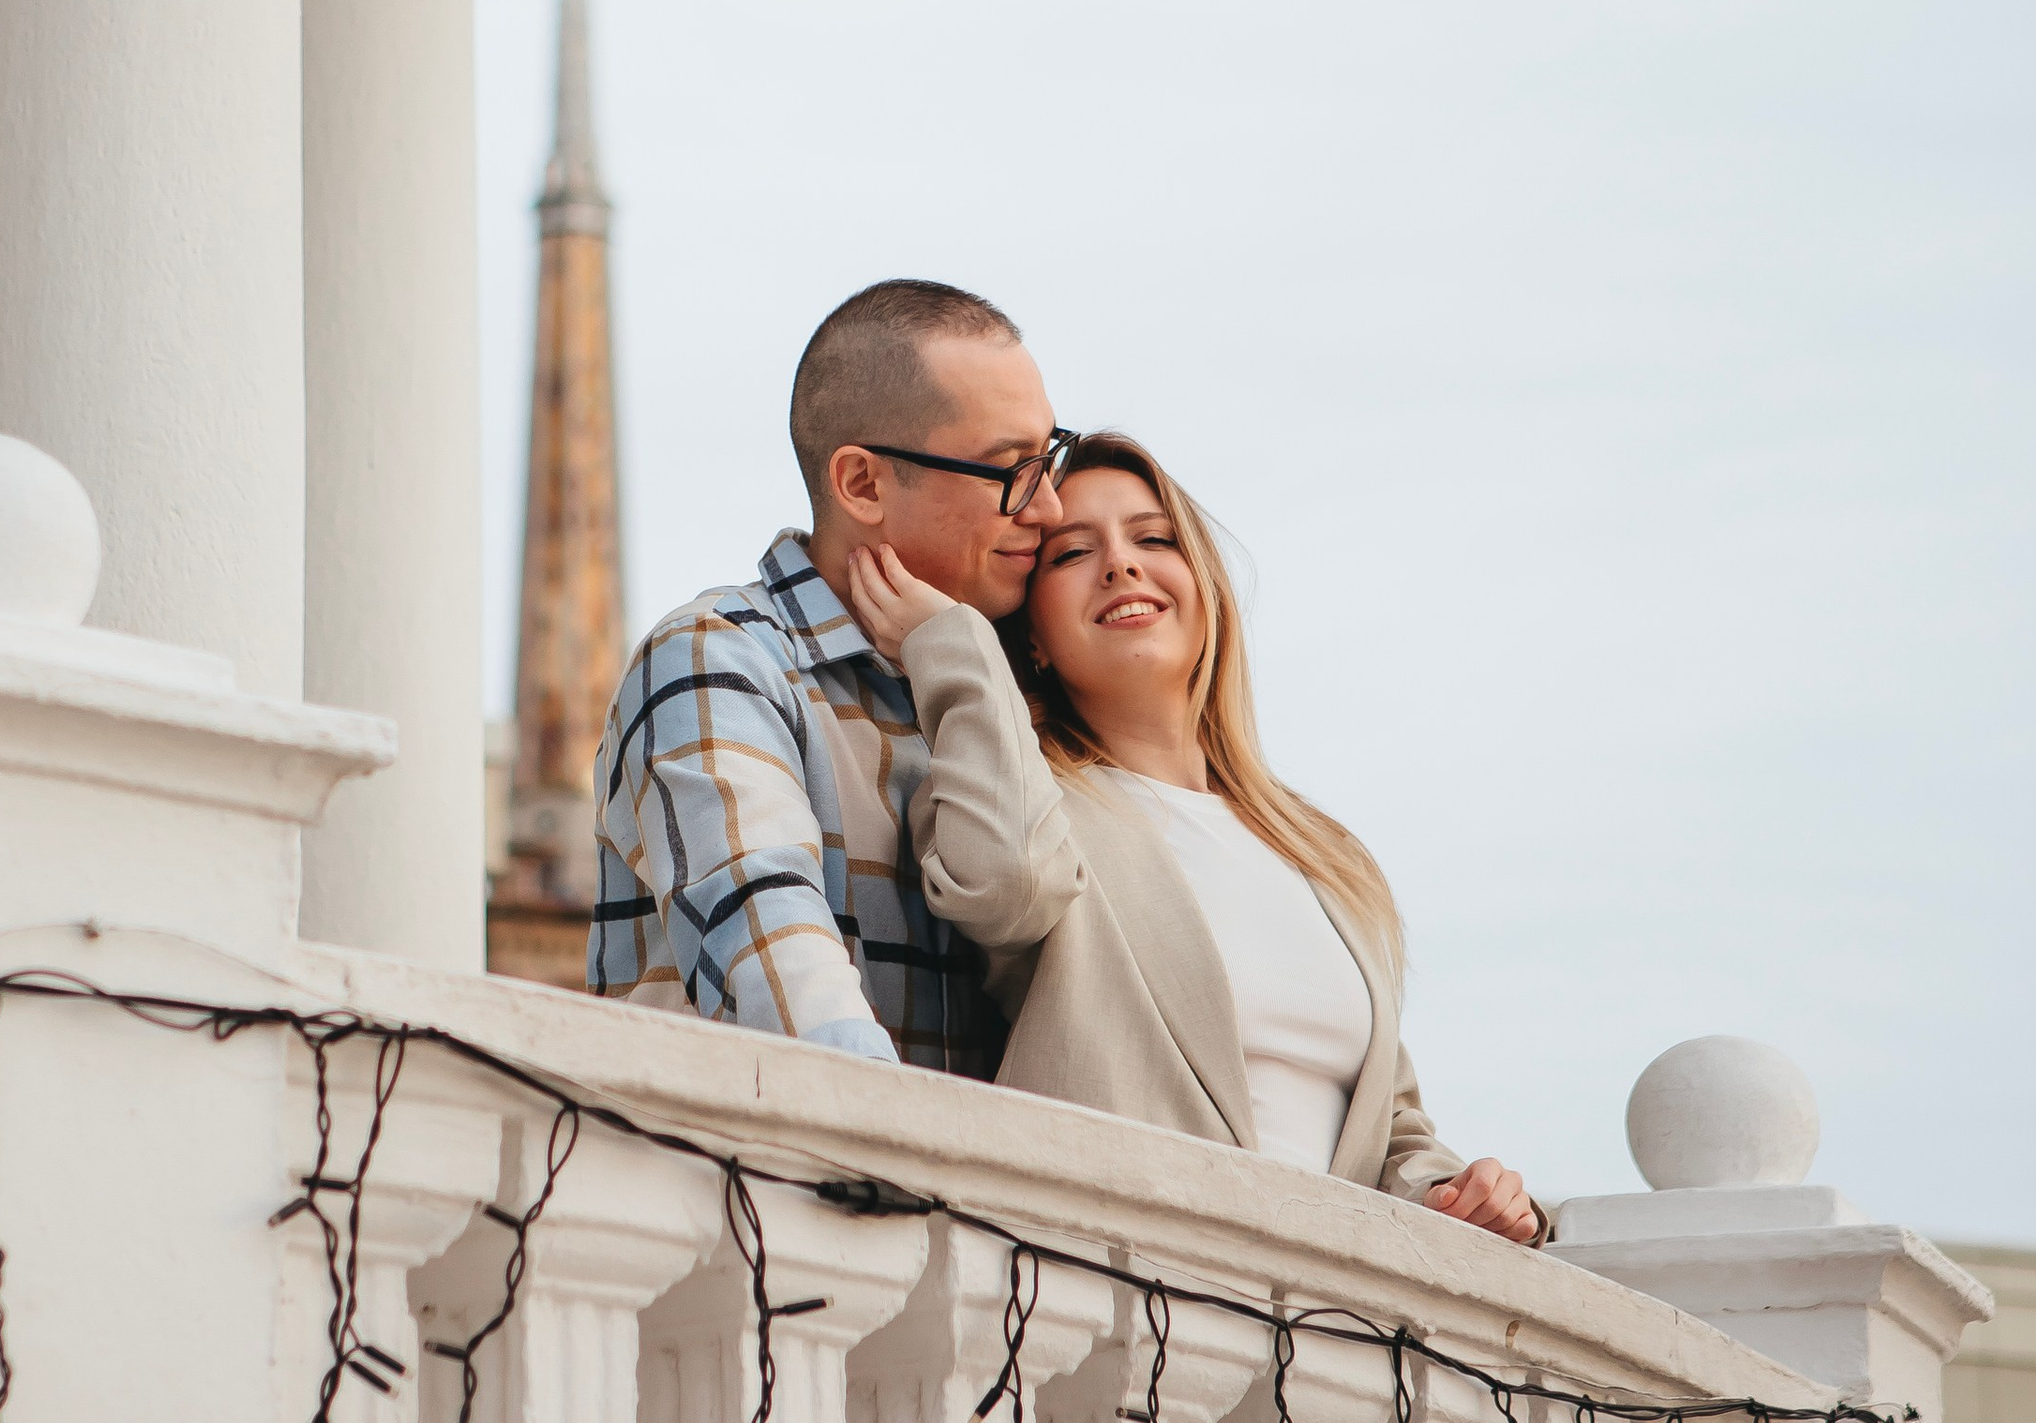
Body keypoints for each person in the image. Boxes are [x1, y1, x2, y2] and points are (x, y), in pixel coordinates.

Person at [846, 431, 1541, 1238]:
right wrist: (960, 654)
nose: (1121, 565)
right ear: (1030, 635)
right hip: (1133, 1301)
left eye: (1153, 538)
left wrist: (1462, 1193)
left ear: (1203, 589)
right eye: (1073, 554)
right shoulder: (1020, 801)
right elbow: (1008, 887)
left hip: (1325, 1334)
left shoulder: (1323, 853)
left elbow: (1387, 1129)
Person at [590, 279, 1073, 1069]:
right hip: (769, 1190)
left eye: (1048, 458)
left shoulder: (1000, 682)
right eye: (1011, 469)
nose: (1048, 508)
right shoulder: (716, 659)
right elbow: (785, 984)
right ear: (862, 484)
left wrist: (968, 663)